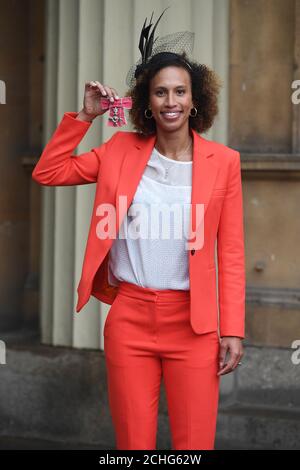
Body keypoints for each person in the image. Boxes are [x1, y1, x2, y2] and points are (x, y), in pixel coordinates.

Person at [32, 9, 245, 450]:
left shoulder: (223, 162)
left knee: (194, 444)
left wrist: (234, 330)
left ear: (195, 99)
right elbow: (49, 171)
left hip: (194, 324)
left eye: (180, 92)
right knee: (134, 445)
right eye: (160, 92)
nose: (171, 101)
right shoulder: (119, 150)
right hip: (129, 318)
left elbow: (232, 252)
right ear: (146, 101)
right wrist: (85, 116)